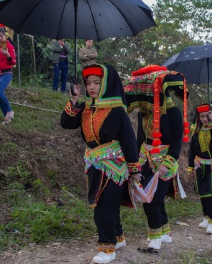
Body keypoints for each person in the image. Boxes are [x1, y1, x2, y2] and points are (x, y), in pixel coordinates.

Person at [61, 64, 142, 264]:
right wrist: (73, 99)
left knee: (103, 206)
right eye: (89, 83)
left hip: (114, 166)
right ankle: (118, 237)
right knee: (107, 203)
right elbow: (66, 123)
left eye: (97, 83)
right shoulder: (86, 108)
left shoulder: (117, 111)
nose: (92, 87)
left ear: (106, 84)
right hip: (94, 164)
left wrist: (134, 170)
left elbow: (129, 140)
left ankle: (107, 249)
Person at [123, 65, 189, 252]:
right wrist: (134, 163)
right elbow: (139, 140)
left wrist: (168, 163)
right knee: (152, 199)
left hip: (164, 162)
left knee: (152, 200)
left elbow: (177, 142)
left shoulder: (173, 112)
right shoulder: (144, 113)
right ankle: (165, 233)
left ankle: (154, 238)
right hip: (146, 160)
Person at [187, 103, 212, 235]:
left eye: (207, 116)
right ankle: (206, 216)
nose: (204, 119)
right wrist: (190, 168)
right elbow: (192, 150)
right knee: (202, 193)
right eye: (202, 116)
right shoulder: (197, 130)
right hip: (200, 165)